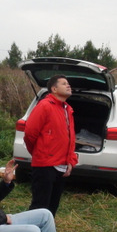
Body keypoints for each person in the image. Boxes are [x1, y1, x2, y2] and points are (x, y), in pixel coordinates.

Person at [23, 74, 78, 217]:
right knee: (40, 206)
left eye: (68, 83)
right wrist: (39, 153)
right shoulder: (44, 106)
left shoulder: (67, 109)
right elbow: (30, 133)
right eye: (64, 83)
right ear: (54, 89)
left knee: (53, 206)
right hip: (44, 166)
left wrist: (70, 161)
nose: (68, 85)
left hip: (62, 166)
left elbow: (70, 139)